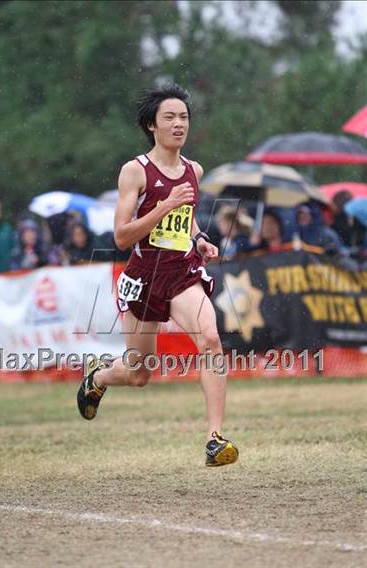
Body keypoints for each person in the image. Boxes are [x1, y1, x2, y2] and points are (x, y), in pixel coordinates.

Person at [76, 83, 238, 467]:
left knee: (211, 340)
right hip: (144, 275)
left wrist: (199, 239)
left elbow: (187, 218)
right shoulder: (135, 171)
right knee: (138, 373)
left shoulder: (194, 170)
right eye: (170, 117)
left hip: (181, 272)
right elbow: (120, 236)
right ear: (152, 125)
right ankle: (97, 379)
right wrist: (163, 206)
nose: (179, 124)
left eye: (183, 117)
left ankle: (215, 439)